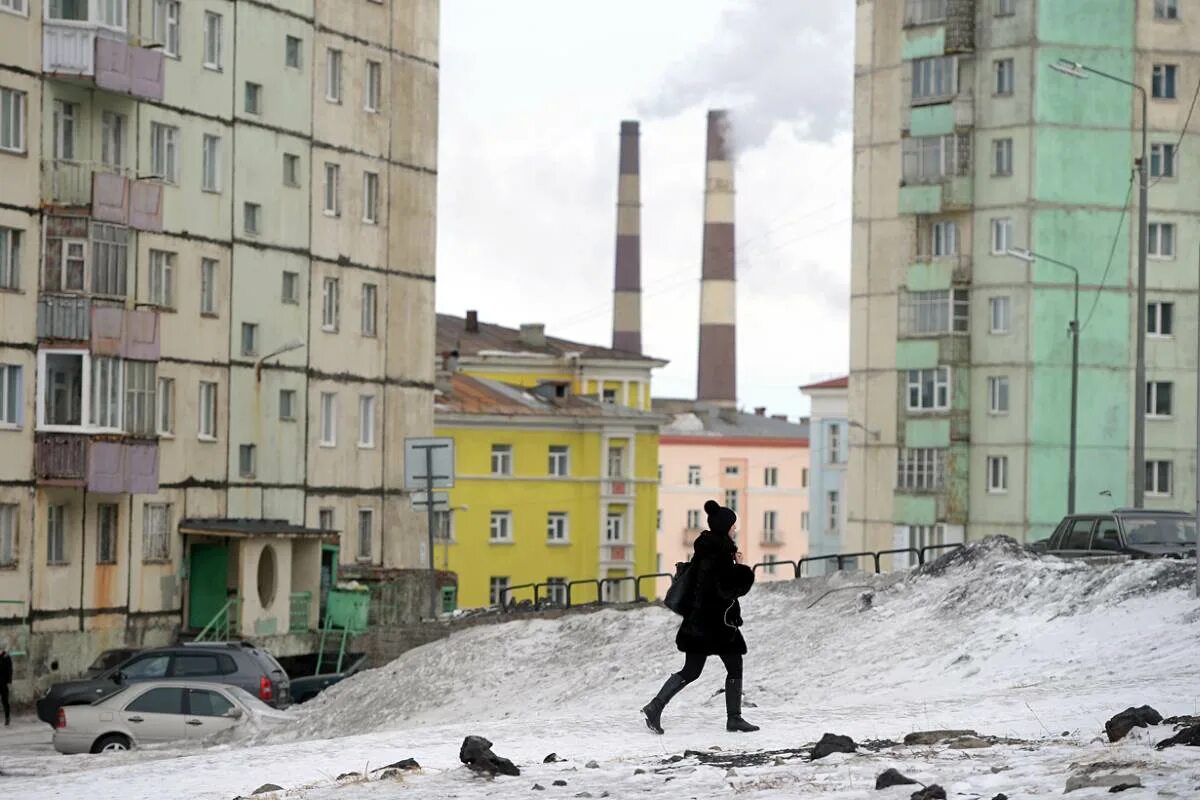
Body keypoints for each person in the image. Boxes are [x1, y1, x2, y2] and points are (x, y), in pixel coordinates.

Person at [642, 499, 758, 734]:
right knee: (733, 666)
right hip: (717, 625)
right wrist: (741, 568)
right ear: (725, 526)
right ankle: (734, 718)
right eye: (733, 525)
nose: (735, 529)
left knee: (692, 670)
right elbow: (725, 588)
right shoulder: (721, 552)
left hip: (699, 623)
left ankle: (655, 707)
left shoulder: (706, 549)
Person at [0, 640, 12, 727]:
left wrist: (9, 681)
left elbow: (10, 670)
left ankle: (7, 718)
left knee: (5, 701)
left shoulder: (6, 657)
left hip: (3, 683)